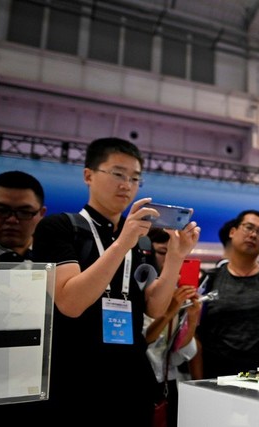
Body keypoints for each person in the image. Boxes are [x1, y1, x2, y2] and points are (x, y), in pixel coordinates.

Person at [31, 137, 201, 425]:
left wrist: (175, 257)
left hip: (131, 379)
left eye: (135, 178)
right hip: (75, 380)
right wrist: (122, 243)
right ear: (89, 175)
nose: (127, 185)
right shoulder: (60, 227)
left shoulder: (139, 240)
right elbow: (70, 303)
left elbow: (155, 308)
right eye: (118, 174)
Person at [191, 210, 259, 379]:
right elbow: (195, 333)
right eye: (248, 227)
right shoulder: (210, 279)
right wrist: (198, 382)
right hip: (218, 379)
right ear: (232, 232)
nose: (253, 235)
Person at [144, 228, 201, 427]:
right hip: (141, 377)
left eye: (176, 254)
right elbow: (144, 340)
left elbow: (178, 354)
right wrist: (169, 311)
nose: (170, 259)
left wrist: (192, 318)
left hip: (167, 381)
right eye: (162, 252)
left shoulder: (178, 292)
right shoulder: (138, 286)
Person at [0, 170, 47, 262]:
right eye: (1, 210)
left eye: (24, 212)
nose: (12, 220)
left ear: (41, 214)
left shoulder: (59, 257)